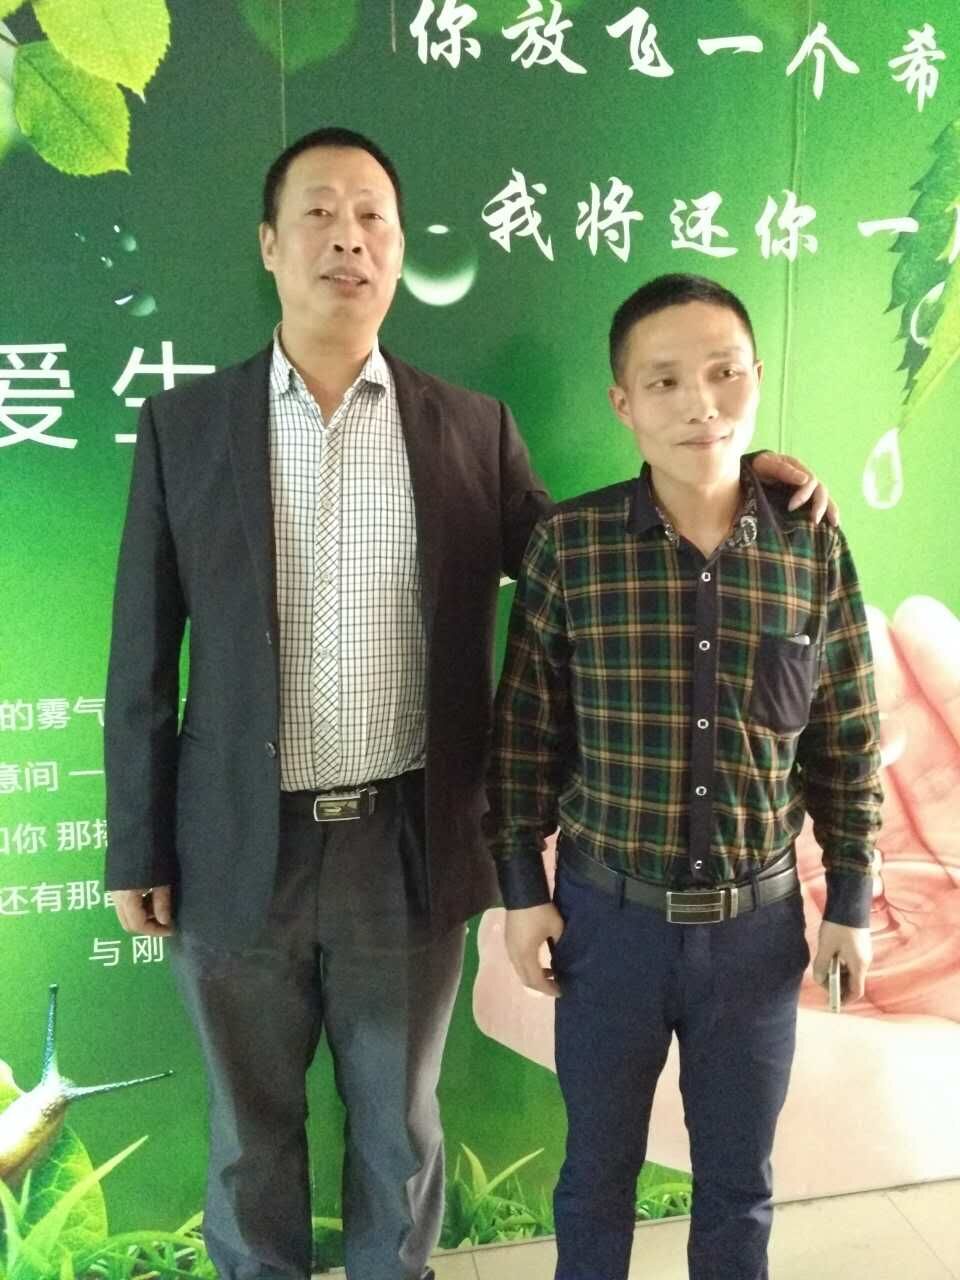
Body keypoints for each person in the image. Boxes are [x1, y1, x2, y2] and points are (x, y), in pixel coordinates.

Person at [102, 127, 834, 1280]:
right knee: (249, 1136)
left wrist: (732, 477)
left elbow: (591, 561)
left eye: (373, 217)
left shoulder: (469, 426)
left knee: (400, 1131)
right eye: (319, 213)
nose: (349, 237)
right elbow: (141, 653)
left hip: (406, 841)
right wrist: (135, 841)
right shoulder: (184, 426)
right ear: (269, 245)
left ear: (399, 249)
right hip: (234, 842)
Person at [485, 272, 883, 1280]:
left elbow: (846, 736)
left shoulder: (810, 545)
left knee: (740, 1184)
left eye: (722, 372)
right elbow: (524, 736)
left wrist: (852, 900)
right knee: (596, 1174)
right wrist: (523, 893)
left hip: (757, 933)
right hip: (606, 926)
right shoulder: (571, 548)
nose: (699, 402)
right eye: (664, 381)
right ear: (623, 402)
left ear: (757, 378)